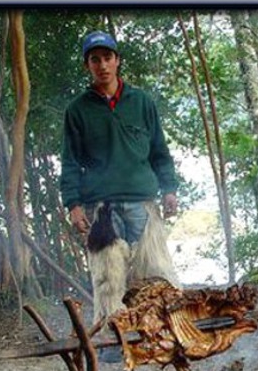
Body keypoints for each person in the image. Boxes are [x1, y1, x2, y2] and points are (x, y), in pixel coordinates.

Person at [60, 30, 181, 330]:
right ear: (87, 65)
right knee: (108, 277)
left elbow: (159, 151)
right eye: (95, 59)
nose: (102, 65)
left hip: (143, 203)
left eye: (107, 58)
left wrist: (169, 189)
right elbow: (70, 161)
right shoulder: (77, 111)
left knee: (157, 272)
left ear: (117, 61)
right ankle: (113, 340)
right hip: (102, 208)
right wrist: (73, 204)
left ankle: (166, 332)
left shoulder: (141, 102)